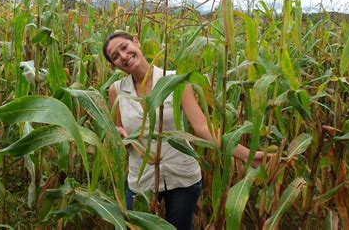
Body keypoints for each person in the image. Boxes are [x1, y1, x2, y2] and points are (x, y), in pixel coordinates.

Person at [103, 31, 268, 230]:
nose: (123, 56)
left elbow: (202, 128)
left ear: (136, 42)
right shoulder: (116, 91)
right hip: (141, 178)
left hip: (181, 174)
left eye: (124, 47)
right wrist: (119, 135)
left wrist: (248, 156)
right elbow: (116, 128)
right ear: (114, 65)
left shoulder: (176, 81)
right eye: (115, 56)